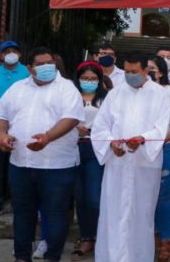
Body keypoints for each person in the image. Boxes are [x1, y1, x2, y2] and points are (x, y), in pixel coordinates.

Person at [0, 47, 84, 262]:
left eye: (50, 63)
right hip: (21, 164)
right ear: (30, 68)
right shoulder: (17, 88)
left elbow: (71, 118)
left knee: (54, 216)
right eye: (41, 64)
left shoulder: (67, 88)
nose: (47, 67)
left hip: (57, 166)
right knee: (23, 215)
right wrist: (1, 135)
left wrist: (48, 137)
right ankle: (22, 257)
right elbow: (0, 115)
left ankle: (53, 257)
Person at [90, 52, 170, 262]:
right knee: (113, 213)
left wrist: (142, 139)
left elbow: (161, 128)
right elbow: (100, 127)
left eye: (134, 72)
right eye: (126, 71)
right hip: (117, 164)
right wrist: (111, 143)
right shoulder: (115, 94)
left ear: (146, 71)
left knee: (141, 215)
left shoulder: (160, 94)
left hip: (144, 164)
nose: (129, 75)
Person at [0, 40, 30, 219]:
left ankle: (17, 200)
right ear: (1, 55)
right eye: (6, 51)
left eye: (14, 51)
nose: (10, 54)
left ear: (20, 55)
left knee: (17, 162)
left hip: (19, 123)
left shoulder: (26, 72)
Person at [70, 61, 110, 261]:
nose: (89, 82)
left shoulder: (106, 99)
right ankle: (85, 237)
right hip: (74, 148)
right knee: (80, 196)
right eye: (85, 78)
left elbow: (112, 122)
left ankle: (99, 234)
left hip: (96, 148)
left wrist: (93, 131)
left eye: (93, 78)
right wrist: (74, 128)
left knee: (94, 197)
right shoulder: (70, 97)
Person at [149, 56, 170, 262]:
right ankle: (146, 237)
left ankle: (164, 240)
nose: (148, 72)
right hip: (139, 152)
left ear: (160, 73)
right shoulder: (135, 93)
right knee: (143, 197)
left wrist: (151, 141)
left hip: (164, 149)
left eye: (152, 69)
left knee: (161, 197)